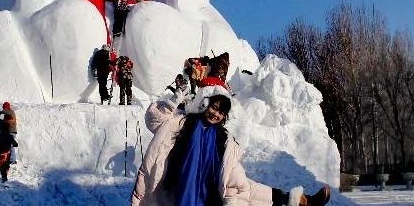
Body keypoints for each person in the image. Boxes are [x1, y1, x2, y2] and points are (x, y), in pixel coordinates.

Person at [132, 87, 331, 206]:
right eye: (214, 107)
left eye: (221, 112)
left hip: (208, 197)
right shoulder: (180, 124)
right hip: (176, 194)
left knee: (248, 191)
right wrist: (172, 101)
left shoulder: (224, 140)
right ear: (204, 104)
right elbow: (153, 118)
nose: (215, 114)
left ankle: (300, 201)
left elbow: (238, 182)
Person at [0, 120, 18, 184]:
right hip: (6, 154)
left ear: (1, 129)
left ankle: (4, 175)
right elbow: (16, 144)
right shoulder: (10, 136)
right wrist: (11, 142)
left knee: (2, 165)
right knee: (6, 161)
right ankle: (4, 178)